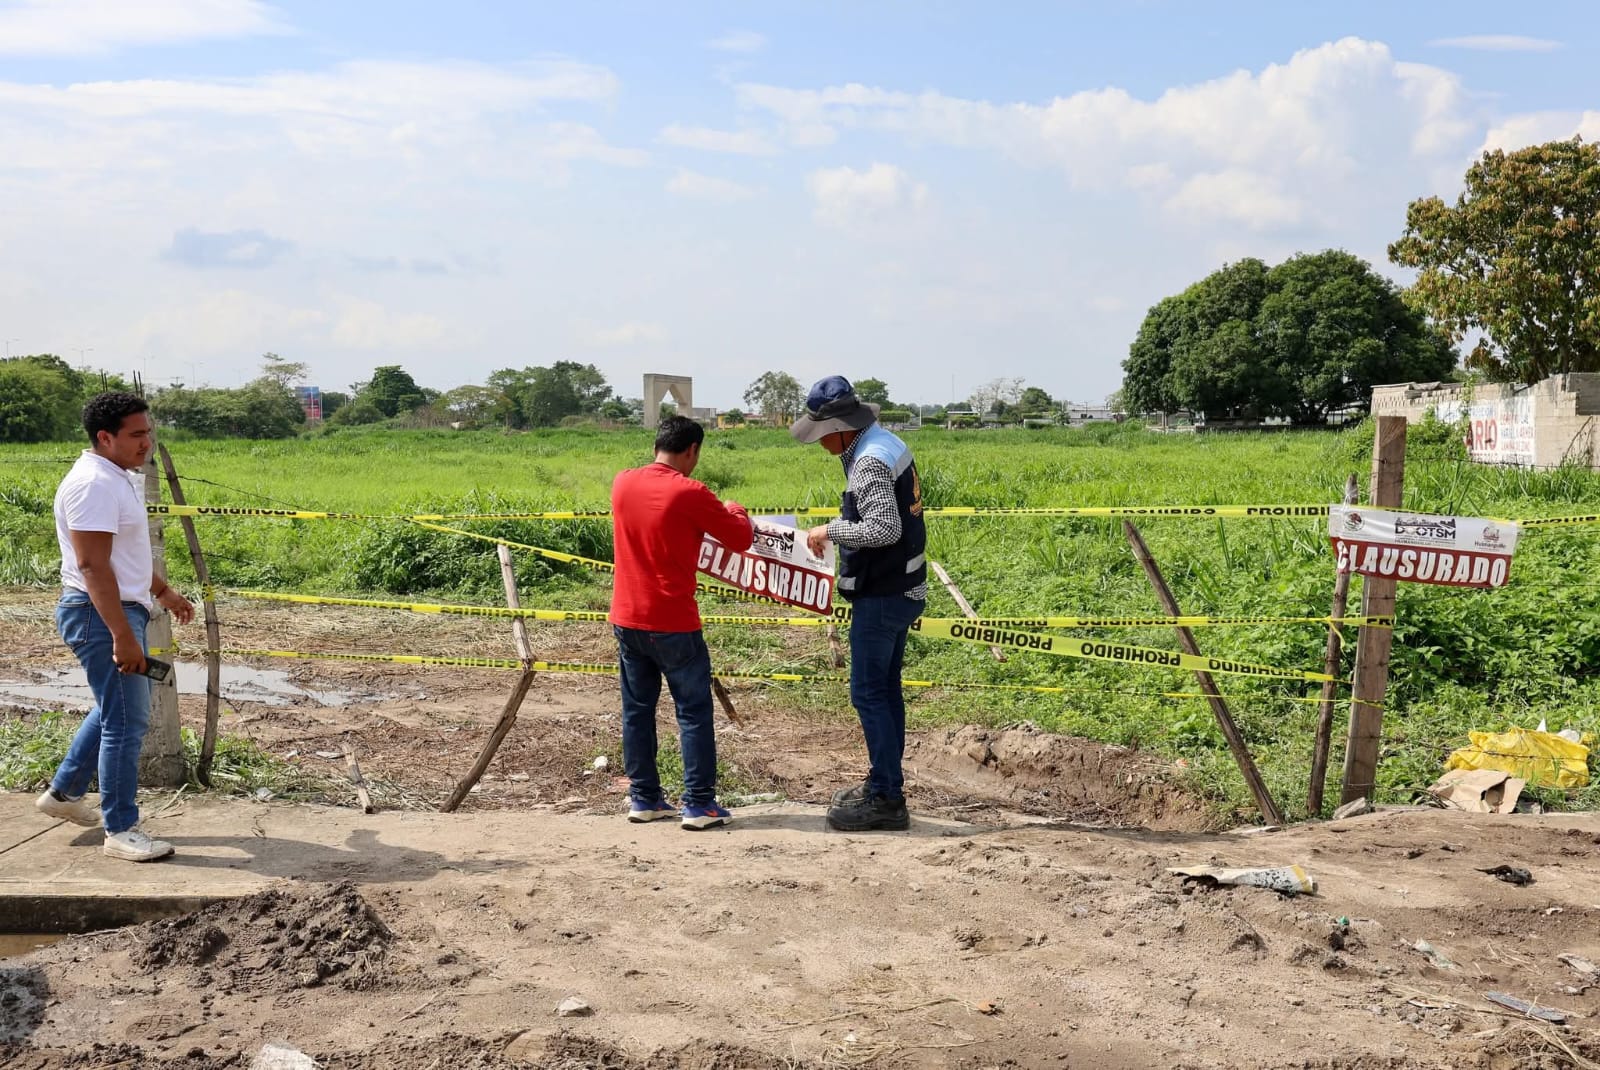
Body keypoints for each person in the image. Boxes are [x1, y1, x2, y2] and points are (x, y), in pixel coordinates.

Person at [35, 392, 194, 861]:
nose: (147, 442)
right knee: (128, 720)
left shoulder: (116, 476)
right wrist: (123, 637)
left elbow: (122, 556)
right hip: (99, 614)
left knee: (115, 709)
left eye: (149, 432)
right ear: (105, 437)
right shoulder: (94, 485)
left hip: (117, 609)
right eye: (136, 434)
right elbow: (92, 566)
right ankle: (121, 828)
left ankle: (63, 794)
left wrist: (161, 591)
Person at [791, 376, 926, 832]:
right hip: (903, 587)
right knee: (885, 691)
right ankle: (884, 784)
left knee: (868, 694)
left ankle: (886, 797)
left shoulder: (867, 462)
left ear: (841, 427)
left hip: (884, 595)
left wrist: (829, 530)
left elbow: (883, 529)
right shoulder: (884, 443)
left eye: (823, 433)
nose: (821, 442)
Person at [609, 415, 754, 830]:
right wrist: (735, 508)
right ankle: (699, 803)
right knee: (692, 711)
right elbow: (740, 537)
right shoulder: (690, 491)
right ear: (692, 451)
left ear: (657, 444)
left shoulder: (622, 482)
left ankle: (644, 798)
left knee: (637, 711)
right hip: (673, 620)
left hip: (627, 617)